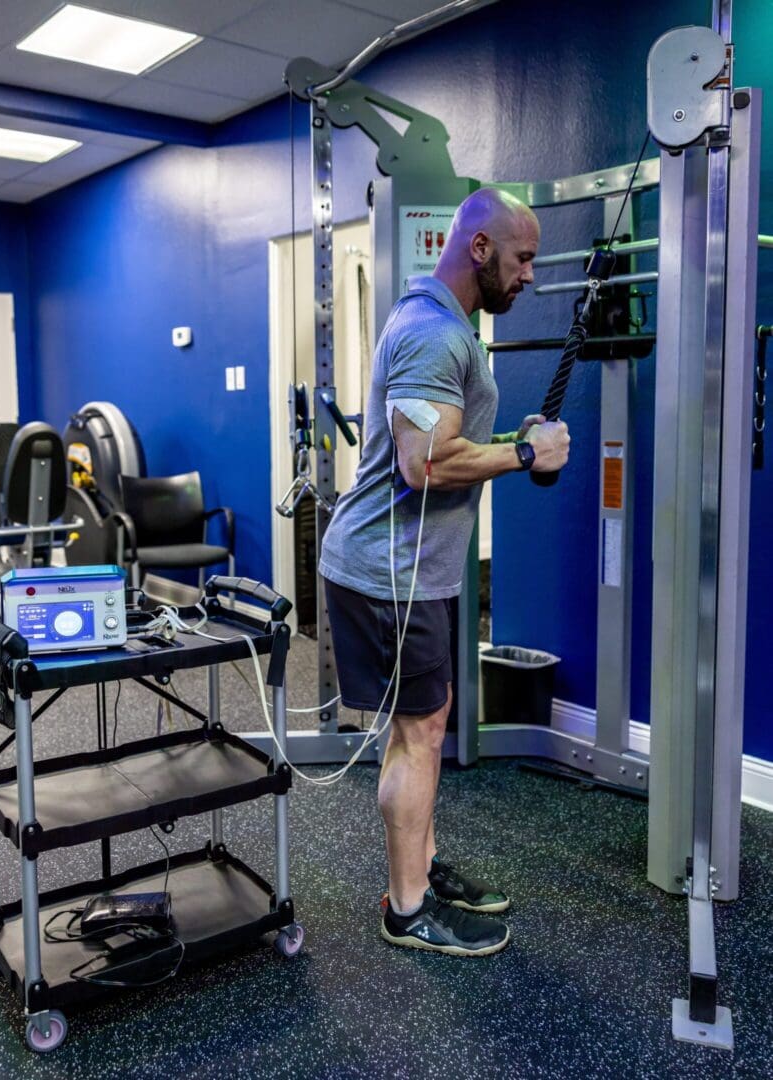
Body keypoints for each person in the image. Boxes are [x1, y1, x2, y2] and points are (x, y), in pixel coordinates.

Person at [318, 187, 570, 956]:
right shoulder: (435, 333)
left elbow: (446, 440)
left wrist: (507, 439)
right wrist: (525, 456)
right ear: (480, 249)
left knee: (426, 721)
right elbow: (424, 464)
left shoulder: (437, 319)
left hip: (413, 571)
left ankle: (420, 867)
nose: (530, 274)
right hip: (387, 570)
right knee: (422, 733)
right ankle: (407, 909)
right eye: (523, 258)